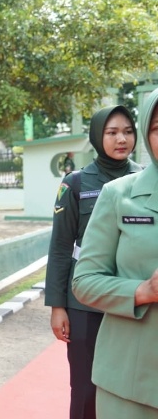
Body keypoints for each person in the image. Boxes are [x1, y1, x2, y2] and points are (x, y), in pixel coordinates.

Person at [46, 105, 140, 419]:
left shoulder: (145, 179)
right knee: (86, 389)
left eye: (127, 131)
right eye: (112, 132)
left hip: (133, 297)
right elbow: (61, 247)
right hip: (84, 302)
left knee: (131, 386)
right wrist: (58, 306)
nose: (121, 139)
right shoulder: (76, 183)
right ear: (98, 136)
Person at [72, 96, 158, 418]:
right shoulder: (117, 193)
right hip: (132, 381)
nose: (120, 139)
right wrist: (143, 291)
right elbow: (80, 275)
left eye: (126, 131)